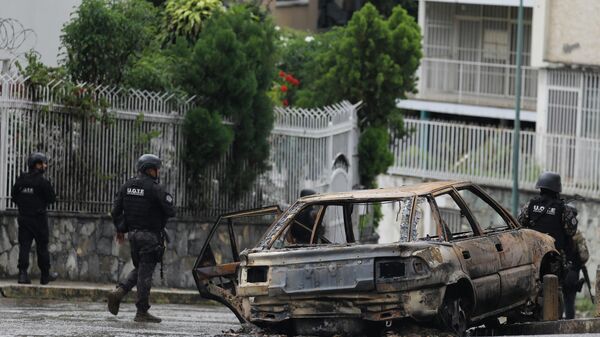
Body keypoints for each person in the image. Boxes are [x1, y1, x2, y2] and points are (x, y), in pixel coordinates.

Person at [107, 154, 175, 323]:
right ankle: (142, 312)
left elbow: (115, 211)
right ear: (150, 169)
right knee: (145, 274)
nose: (158, 172)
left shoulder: (127, 185)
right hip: (150, 237)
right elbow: (171, 210)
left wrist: (120, 229)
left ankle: (120, 292)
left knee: (141, 269)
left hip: (133, 236)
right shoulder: (155, 188)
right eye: (156, 169)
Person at [517, 171, 581, 319]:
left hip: (531, 257)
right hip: (553, 257)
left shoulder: (530, 205)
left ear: (540, 187)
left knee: (531, 285)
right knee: (554, 287)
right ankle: (552, 316)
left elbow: (520, 223)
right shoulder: (562, 208)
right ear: (557, 189)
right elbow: (571, 230)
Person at [10, 152, 58, 285]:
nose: (45, 166)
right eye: (43, 163)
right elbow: (52, 199)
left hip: (24, 218)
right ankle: (45, 275)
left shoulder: (21, 180)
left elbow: (14, 196)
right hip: (39, 219)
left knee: (24, 246)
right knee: (42, 246)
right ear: (36, 164)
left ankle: (22, 274)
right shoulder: (42, 182)